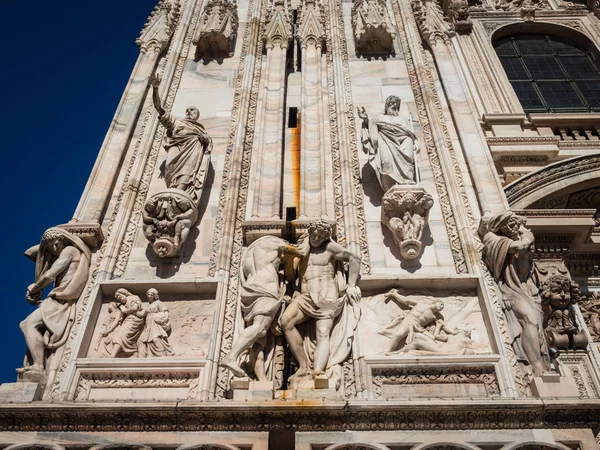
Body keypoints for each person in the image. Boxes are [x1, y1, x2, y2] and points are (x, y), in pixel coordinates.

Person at [279, 220, 361, 385]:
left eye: (320, 236)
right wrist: (288, 259)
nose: (316, 238)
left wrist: (351, 285)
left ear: (326, 236)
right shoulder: (302, 251)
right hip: (306, 296)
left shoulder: (330, 248)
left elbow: (354, 258)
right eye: (313, 234)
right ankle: (303, 366)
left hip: (327, 296)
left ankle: (318, 371)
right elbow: (290, 277)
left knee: (323, 333)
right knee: (285, 321)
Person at [222, 236, 304, 380]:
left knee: (260, 339)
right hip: (266, 289)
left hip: (250, 287)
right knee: (259, 328)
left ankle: (262, 380)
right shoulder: (278, 243)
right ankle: (231, 357)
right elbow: (298, 257)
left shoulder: (253, 250)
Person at [482, 211, 548, 377]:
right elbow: (517, 247)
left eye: (514, 222)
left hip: (527, 290)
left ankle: (542, 365)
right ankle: (536, 368)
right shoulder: (493, 239)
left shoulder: (520, 236)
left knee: (536, 323)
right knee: (529, 319)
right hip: (509, 289)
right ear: (499, 226)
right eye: (507, 223)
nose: (512, 226)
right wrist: (528, 239)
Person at [20, 228, 91, 373]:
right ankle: (38, 365)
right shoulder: (61, 250)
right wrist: (45, 243)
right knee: (26, 324)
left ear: (64, 240)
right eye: (50, 246)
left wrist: (36, 287)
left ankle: (38, 366)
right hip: (56, 299)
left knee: (28, 324)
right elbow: (29, 252)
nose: (54, 248)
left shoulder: (70, 250)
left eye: (56, 244)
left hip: (61, 300)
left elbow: (51, 274)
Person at [150, 72, 213, 200]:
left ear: (197, 115)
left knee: (189, 170)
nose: (189, 112)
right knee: (170, 169)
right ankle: (172, 189)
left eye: (192, 110)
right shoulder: (177, 122)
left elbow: (208, 143)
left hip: (193, 150)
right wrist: (155, 88)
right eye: (187, 110)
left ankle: (180, 191)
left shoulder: (200, 130)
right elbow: (159, 108)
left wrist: (204, 139)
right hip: (176, 146)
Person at [358, 95, 418, 192]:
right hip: (385, 139)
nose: (393, 110)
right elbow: (371, 127)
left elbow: (408, 133)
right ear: (386, 106)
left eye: (395, 107)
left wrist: (414, 140)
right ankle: (389, 188)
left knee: (408, 157)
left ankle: (406, 181)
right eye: (391, 106)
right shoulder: (379, 117)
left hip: (403, 140)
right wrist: (365, 119)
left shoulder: (402, 120)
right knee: (386, 162)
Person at [377, 289, 456, 353]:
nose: (442, 307)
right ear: (436, 302)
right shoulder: (421, 303)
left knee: (422, 340)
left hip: (417, 326)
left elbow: (444, 326)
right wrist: (394, 294)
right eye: (441, 304)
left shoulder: (435, 316)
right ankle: (387, 350)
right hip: (409, 320)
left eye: (443, 306)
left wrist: (453, 333)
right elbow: (406, 300)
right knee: (399, 334)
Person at [102, 289, 145, 358]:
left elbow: (135, 308)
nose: (119, 299)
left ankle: (113, 355)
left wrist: (125, 310)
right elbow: (118, 319)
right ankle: (134, 351)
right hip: (128, 320)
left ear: (124, 293)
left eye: (119, 296)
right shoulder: (122, 305)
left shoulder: (134, 297)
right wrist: (109, 331)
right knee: (125, 337)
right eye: (118, 299)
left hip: (135, 319)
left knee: (121, 334)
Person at [139, 288, 173, 357]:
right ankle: (146, 355)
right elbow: (141, 314)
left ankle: (163, 354)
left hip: (155, 323)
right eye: (148, 294)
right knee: (144, 340)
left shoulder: (158, 303)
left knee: (155, 338)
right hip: (148, 324)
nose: (149, 296)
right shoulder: (148, 306)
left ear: (154, 296)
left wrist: (161, 318)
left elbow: (165, 312)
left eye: (151, 294)